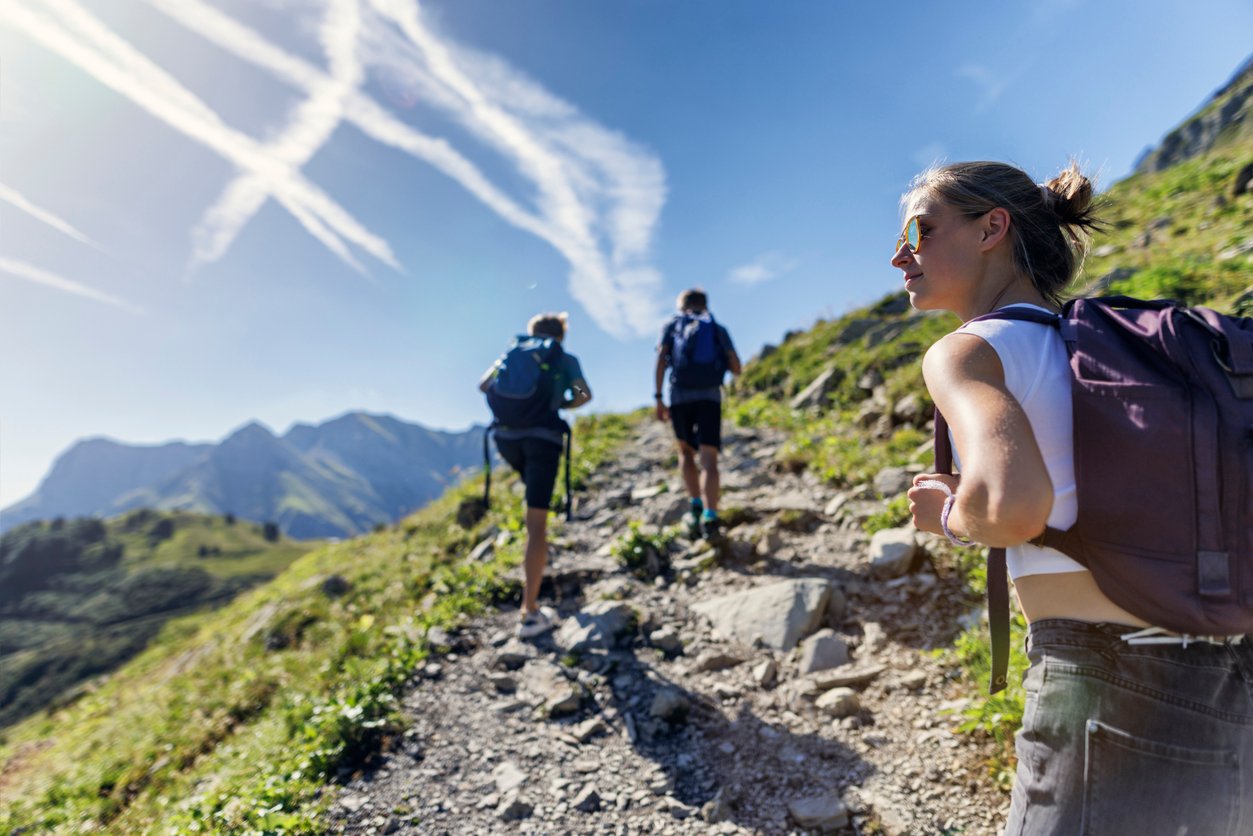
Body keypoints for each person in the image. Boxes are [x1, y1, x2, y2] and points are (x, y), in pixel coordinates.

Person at [896, 160, 1253, 834]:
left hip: (1105, 680)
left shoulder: (967, 352)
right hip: (1231, 675)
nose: (899, 256)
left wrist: (948, 513)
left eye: (919, 230)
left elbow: (1011, 506)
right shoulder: (1101, 355)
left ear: (990, 229)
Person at [480, 312, 591, 638]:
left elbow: (484, 384)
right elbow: (584, 395)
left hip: (505, 439)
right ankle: (528, 612)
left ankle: (536, 561)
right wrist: (557, 405)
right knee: (536, 523)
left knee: (534, 504)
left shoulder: (512, 352)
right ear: (561, 334)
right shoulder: (564, 357)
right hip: (543, 439)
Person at [654, 289, 742, 540]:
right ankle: (711, 516)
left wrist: (659, 398)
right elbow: (736, 365)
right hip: (710, 397)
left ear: (682, 306)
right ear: (705, 304)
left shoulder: (672, 325)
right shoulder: (716, 327)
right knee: (709, 460)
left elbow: (662, 358)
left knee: (685, 451)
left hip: (679, 396)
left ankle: (695, 504)